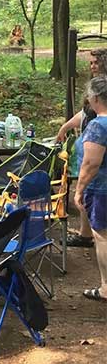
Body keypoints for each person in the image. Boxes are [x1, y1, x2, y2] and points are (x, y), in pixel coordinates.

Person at [57, 48, 107, 248]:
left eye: (97, 62)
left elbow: (92, 162)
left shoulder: (103, 88)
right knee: (88, 192)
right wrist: (66, 126)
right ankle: (85, 234)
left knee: (91, 186)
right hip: (91, 142)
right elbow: (85, 113)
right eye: (91, 63)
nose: (93, 66)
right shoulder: (93, 88)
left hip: (99, 145)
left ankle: (94, 236)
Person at [74, 77, 107, 302]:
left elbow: (91, 164)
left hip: (102, 189)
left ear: (95, 98)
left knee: (102, 236)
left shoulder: (98, 125)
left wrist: (79, 189)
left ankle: (106, 287)